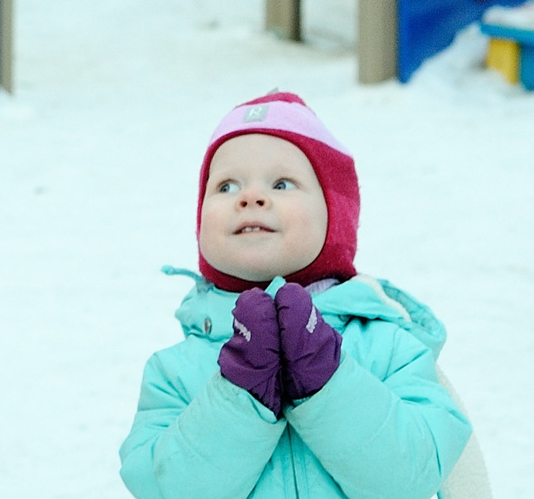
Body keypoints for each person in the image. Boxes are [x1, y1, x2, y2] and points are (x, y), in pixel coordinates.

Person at [120, 93, 479, 499]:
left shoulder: (390, 347)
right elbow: (166, 490)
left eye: (281, 183)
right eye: (226, 185)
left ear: (334, 215)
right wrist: (240, 393)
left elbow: (413, 477)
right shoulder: (173, 374)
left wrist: (328, 380)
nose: (250, 197)